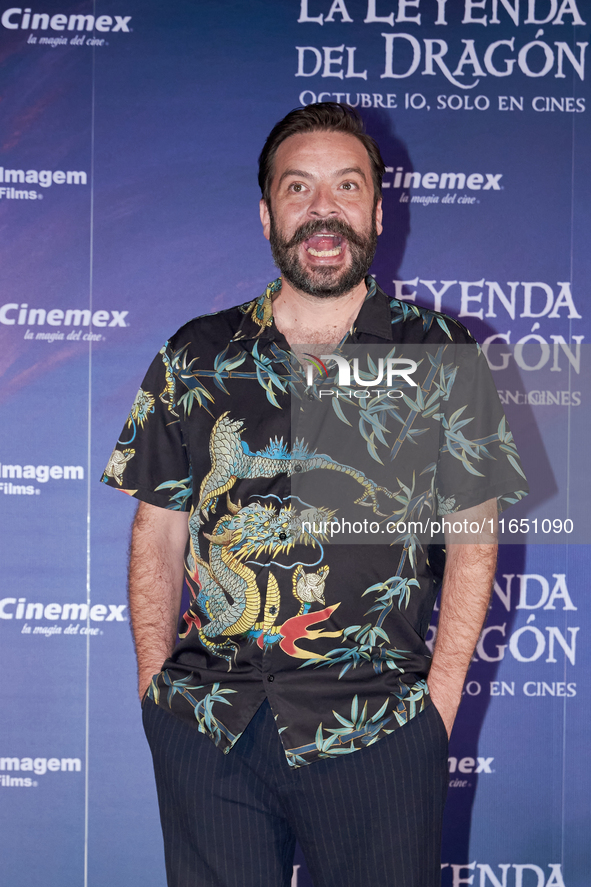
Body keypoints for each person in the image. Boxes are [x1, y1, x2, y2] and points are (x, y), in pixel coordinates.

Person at [102, 103, 527, 887]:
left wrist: (434, 711)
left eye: (344, 186)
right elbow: (156, 532)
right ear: (266, 212)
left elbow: (474, 538)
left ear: (374, 207)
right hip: (211, 724)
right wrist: (154, 691)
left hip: (378, 727)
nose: (321, 210)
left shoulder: (439, 352)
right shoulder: (197, 355)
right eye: (298, 188)